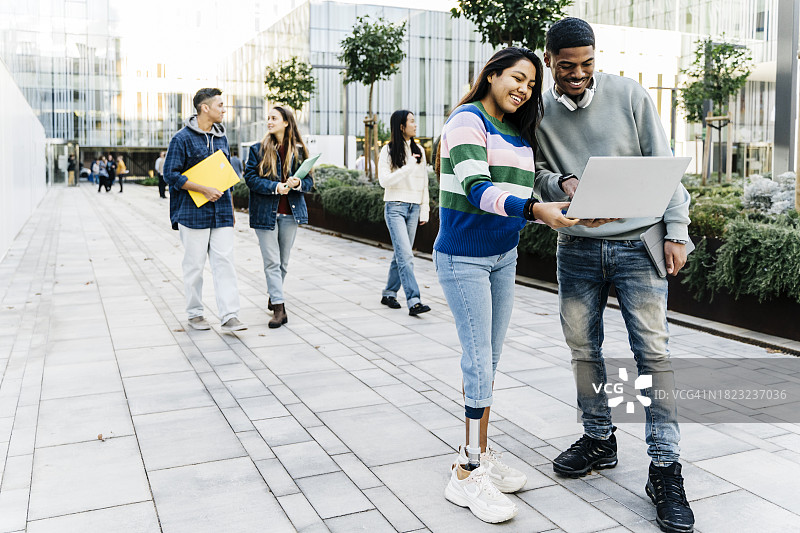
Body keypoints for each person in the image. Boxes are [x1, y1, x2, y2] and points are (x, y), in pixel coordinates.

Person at [533, 18, 694, 533]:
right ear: (550, 59)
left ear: (595, 59)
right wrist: (560, 179)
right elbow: (527, 169)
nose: (577, 74)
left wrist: (677, 230)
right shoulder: (538, 109)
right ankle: (600, 439)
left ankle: (665, 469)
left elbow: (664, 164)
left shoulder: (629, 95)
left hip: (638, 244)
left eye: (586, 64)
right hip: (577, 247)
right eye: (566, 66)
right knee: (583, 349)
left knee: (653, 354)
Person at [436, 46, 608, 524]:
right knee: (478, 363)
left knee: (488, 362)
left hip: (502, 256)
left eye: (531, 84)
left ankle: (478, 454)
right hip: (464, 257)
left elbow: (524, 185)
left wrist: (566, 197)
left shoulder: (515, 129)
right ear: (491, 75)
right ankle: (467, 473)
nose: (523, 90)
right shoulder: (466, 121)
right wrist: (535, 211)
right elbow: (477, 188)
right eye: (516, 78)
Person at [163, 87, 247, 333]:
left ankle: (230, 316)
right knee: (194, 266)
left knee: (225, 263)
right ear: (205, 108)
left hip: (221, 212)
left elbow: (225, 175)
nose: (224, 109)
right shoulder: (181, 138)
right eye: (220, 105)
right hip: (192, 212)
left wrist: (231, 211)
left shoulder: (222, 137)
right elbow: (170, 175)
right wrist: (203, 189)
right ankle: (195, 314)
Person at [244, 106, 313, 329]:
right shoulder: (257, 150)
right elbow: (251, 179)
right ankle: (279, 308)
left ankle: (275, 295)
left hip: (290, 213)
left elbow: (310, 182)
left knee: (282, 262)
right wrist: (276, 187)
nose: (269, 122)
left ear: (286, 122)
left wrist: (298, 183)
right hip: (265, 213)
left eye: (274, 118)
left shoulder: (300, 151)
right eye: (268, 118)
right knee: (272, 262)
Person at [377, 110, 431, 316]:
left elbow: (424, 183)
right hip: (395, 207)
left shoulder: (419, 151)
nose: (415, 125)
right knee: (406, 255)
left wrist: (424, 210)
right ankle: (414, 300)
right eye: (411, 121)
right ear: (401, 126)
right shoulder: (388, 151)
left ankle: (389, 292)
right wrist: (408, 167)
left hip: (414, 207)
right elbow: (384, 181)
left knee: (401, 254)